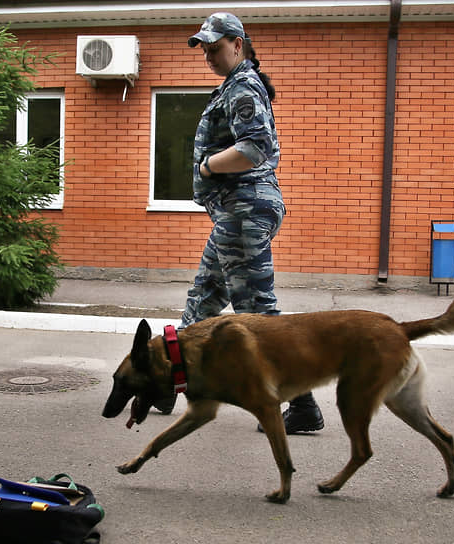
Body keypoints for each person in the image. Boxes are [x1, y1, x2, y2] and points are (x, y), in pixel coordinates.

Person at [169, 12, 323, 434]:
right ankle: (168, 381)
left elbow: (254, 148)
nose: (208, 56)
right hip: (237, 211)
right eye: (204, 50)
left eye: (215, 48)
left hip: (245, 209)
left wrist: (206, 168)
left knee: (256, 311)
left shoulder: (244, 86)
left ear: (238, 44)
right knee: (203, 299)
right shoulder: (233, 86)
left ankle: (304, 404)